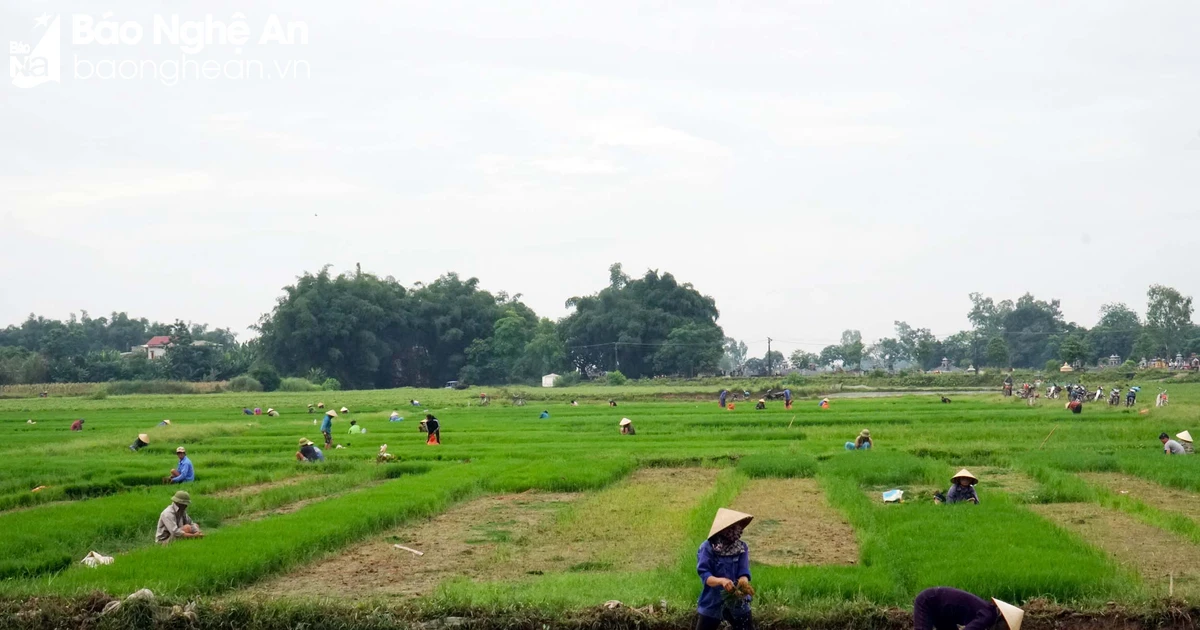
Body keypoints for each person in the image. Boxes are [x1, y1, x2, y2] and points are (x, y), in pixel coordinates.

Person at [695, 508, 754, 630]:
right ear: (723, 530)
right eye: (731, 528)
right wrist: (721, 581)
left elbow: (744, 571)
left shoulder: (742, 547)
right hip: (712, 600)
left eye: (736, 528)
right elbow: (705, 575)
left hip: (737, 600)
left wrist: (743, 582)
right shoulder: (707, 548)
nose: (736, 531)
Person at [912, 587, 1024, 630]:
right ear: (1002, 620)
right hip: (928, 602)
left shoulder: (988, 612)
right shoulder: (987, 615)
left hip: (944, 614)